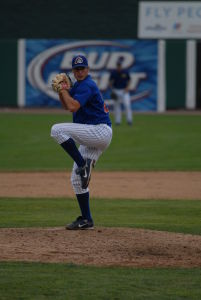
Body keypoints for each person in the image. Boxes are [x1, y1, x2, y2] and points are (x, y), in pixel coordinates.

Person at [50, 55, 112, 230]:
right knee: (77, 180)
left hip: (99, 130)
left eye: (82, 68)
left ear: (88, 69)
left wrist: (63, 90)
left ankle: (82, 164)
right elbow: (66, 105)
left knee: (56, 130)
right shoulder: (78, 86)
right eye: (76, 69)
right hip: (93, 135)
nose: (79, 71)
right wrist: (62, 92)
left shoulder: (87, 85)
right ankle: (87, 219)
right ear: (73, 71)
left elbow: (73, 107)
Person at [109, 57, 133, 125]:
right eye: (118, 65)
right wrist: (112, 89)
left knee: (127, 105)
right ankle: (118, 121)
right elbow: (110, 82)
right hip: (116, 90)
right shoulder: (113, 73)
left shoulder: (125, 72)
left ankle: (129, 120)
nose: (119, 66)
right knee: (117, 106)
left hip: (124, 90)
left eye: (120, 65)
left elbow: (129, 80)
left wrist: (127, 88)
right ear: (117, 65)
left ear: (121, 65)